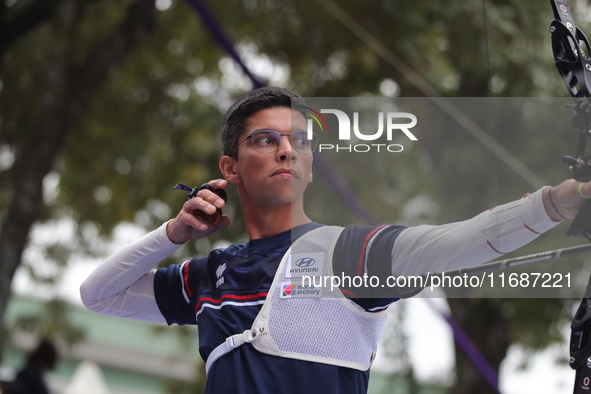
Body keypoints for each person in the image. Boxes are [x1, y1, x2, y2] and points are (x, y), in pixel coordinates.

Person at [80, 87, 590, 394]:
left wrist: (561, 201)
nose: (285, 150)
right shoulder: (214, 274)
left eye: (299, 141)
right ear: (229, 168)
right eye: (265, 140)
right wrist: (175, 232)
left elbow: (459, 242)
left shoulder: (349, 252)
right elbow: (98, 294)